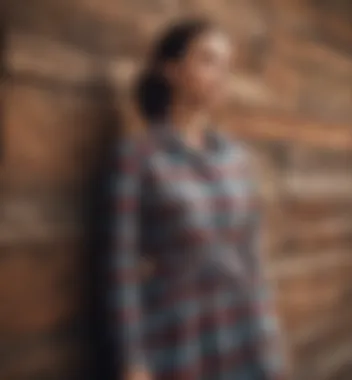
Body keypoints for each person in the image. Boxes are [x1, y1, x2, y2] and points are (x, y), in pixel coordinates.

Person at [109, 18, 286, 380]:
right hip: (177, 339)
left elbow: (252, 258)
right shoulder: (138, 157)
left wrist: (270, 337)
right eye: (208, 60)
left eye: (226, 64)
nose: (222, 74)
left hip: (242, 333)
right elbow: (120, 266)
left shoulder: (236, 158)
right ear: (171, 70)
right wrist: (133, 360)